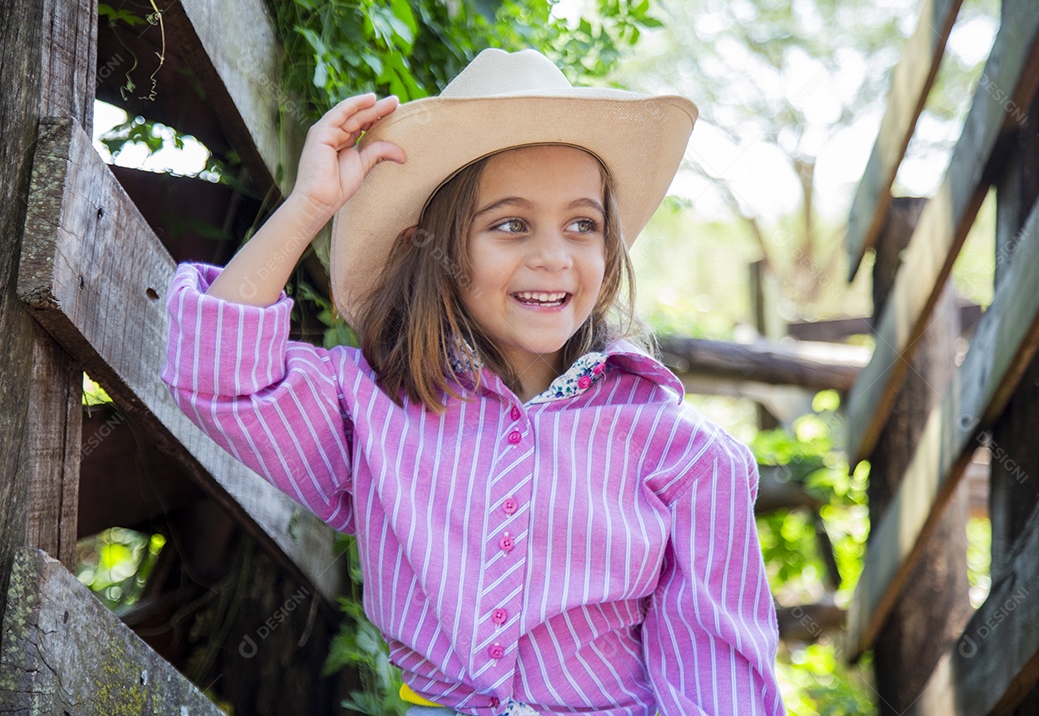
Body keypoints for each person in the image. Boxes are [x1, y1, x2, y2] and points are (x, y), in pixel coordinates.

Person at [162, 48, 784, 716]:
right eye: (510, 225)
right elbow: (216, 373)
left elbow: (723, 688)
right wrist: (309, 206)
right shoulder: (367, 407)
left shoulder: (688, 456)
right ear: (439, 249)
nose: (552, 256)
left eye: (583, 224)